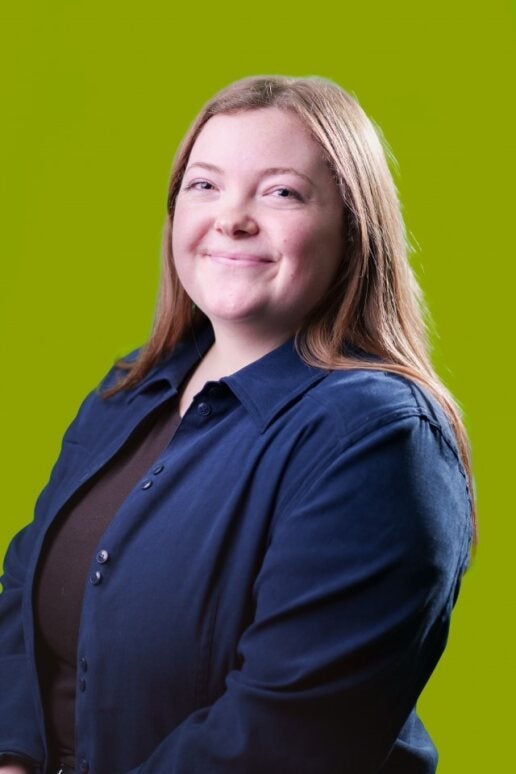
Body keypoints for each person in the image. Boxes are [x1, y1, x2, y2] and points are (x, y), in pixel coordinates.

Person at [0, 75, 475, 774]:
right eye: (204, 186)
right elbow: (20, 597)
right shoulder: (127, 392)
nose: (232, 218)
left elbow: (284, 736)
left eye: (282, 192)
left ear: (353, 228)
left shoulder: (380, 440)